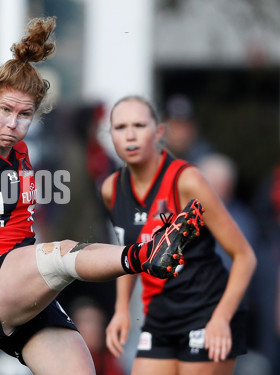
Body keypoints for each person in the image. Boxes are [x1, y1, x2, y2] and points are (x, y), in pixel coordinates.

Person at [0, 17, 205, 374]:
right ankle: (146, 254)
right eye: (5, 110)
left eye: (24, 115)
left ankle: (147, 253)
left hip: (23, 292)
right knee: (62, 254)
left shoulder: (19, 152)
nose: (12, 124)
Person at [101, 95, 257, 375]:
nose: (130, 135)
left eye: (139, 124)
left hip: (206, 312)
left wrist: (221, 318)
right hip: (159, 318)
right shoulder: (111, 189)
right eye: (120, 127)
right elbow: (131, 255)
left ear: (159, 132)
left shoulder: (187, 180)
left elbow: (245, 256)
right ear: (110, 134)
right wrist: (121, 309)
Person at [68, 297, 124, 375]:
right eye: (87, 321)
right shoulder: (63, 361)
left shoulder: (110, 361)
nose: (93, 328)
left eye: (97, 323)